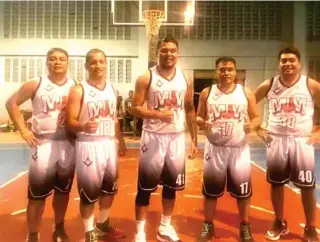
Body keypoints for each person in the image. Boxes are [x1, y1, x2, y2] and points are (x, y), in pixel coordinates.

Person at [254, 47, 320, 242]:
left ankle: (310, 227)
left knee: (307, 187)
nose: (288, 64)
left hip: (302, 141)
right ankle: (279, 221)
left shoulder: (309, 84)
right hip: (276, 140)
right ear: (279, 64)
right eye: (284, 61)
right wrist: (258, 128)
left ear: (299, 64)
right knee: (276, 185)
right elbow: (249, 101)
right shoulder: (270, 84)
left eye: (292, 60)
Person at [131, 35, 198, 242]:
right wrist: (157, 114)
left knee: (171, 185)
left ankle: (165, 227)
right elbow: (134, 108)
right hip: (153, 138)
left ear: (177, 53)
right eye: (164, 50)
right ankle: (140, 233)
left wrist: (194, 139)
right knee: (145, 188)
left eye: (172, 50)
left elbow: (189, 109)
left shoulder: (184, 78)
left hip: (176, 139)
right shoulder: (146, 77)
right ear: (157, 52)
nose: (168, 54)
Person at [6, 48, 75, 242]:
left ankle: (59, 228)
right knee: (37, 195)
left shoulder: (75, 86)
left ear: (68, 63)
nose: (57, 62)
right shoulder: (37, 83)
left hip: (68, 144)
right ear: (47, 63)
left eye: (61, 59)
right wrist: (24, 130)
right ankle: (33, 234)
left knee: (63, 191)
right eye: (53, 59)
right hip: (44, 143)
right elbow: (11, 103)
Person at [196, 57, 260, 242]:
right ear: (216, 72)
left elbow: (256, 117)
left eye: (230, 69)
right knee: (210, 192)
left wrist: (252, 126)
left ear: (235, 72)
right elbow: (199, 117)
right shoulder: (207, 93)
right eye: (222, 69)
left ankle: (245, 226)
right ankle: (208, 225)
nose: (226, 73)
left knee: (243, 193)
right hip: (215, 148)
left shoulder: (245, 93)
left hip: (239, 149)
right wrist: (202, 122)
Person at [66, 49, 127, 242]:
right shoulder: (79, 89)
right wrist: (83, 126)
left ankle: (103, 222)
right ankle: (89, 230)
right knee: (89, 192)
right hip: (88, 145)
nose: (98, 65)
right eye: (93, 62)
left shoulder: (112, 88)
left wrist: (121, 140)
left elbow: (114, 118)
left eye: (101, 62)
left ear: (106, 64)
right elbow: (70, 122)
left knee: (110, 188)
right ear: (86, 66)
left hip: (109, 143)